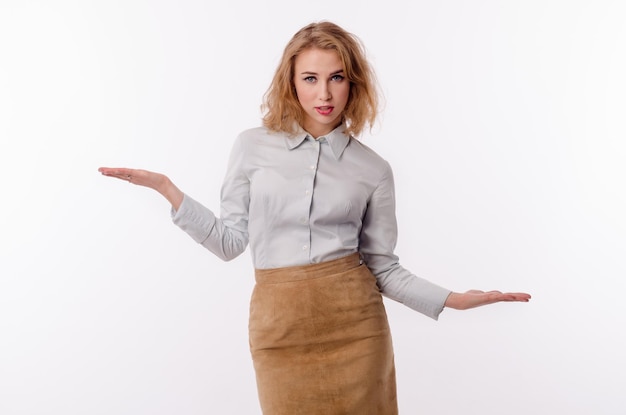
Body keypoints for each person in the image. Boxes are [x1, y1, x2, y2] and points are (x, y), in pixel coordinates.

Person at [99, 21, 530, 415]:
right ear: (291, 82)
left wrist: (451, 299)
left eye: (336, 77)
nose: (324, 94)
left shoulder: (373, 169)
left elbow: (383, 266)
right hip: (278, 328)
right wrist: (168, 190)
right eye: (310, 78)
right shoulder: (251, 147)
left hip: (356, 329)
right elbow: (230, 243)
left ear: (352, 83)